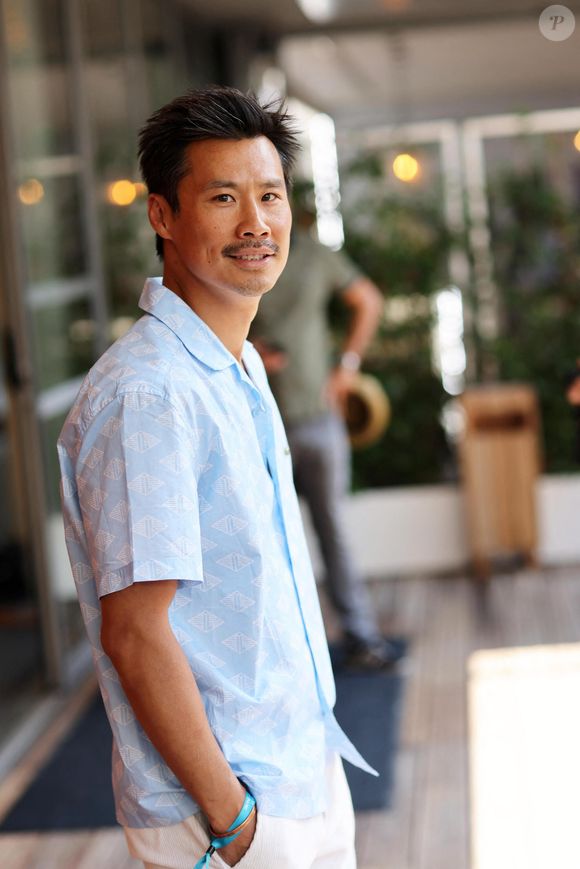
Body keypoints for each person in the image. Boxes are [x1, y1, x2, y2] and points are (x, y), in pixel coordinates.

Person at [57, 86, 375, 869]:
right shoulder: (149, 393)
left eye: (269, 195)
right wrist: (235, 823)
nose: (256, 223)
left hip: (302, 769)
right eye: (224, 197)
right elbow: (135, 632)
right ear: (163, 215)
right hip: (227, 809)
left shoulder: (234, 364)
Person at [251, 201, 397, 671]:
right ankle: (285, 652)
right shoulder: (244, 256)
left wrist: (347, 369)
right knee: (264, 540)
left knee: (328, 531)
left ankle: (359, 638)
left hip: (315, 418)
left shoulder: (314, 255)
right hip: (257, 422)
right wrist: (248, 351)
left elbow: (368, 300)